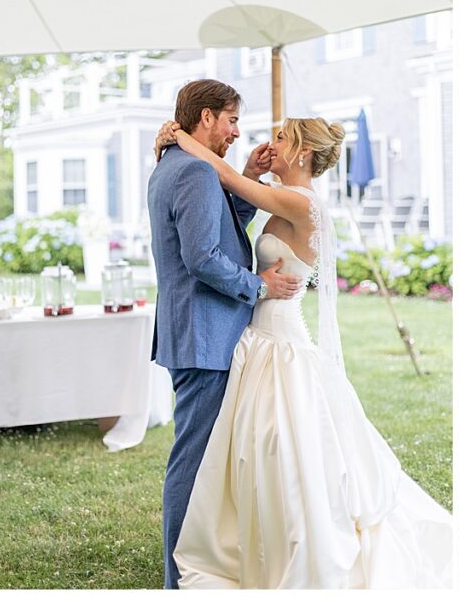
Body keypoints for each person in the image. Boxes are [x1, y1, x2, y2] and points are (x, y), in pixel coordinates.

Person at [153, 115, 452, 589]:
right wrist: (250, 174)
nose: (268, 145)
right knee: (255, 451)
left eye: (279, 139)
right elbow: (238, 204)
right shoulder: (285, 202)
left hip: (280, 342)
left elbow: (225, 178)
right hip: (258, 338)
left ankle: (292, 548)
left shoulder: (301, 202)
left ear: (303, 153)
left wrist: (181, 137)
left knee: (284, 449)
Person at [147, 79, 302, 589]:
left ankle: (202, 562)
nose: (237, 132)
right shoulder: (192, 169)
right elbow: (201, 258)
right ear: (207, 118)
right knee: (191, 460)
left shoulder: (174, 166)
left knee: (203, 457)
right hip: (203, 336)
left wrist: (249, 176)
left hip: (197, 333)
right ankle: (179, 577)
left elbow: (220, 225)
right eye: (232, 120)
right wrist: (257, 285)